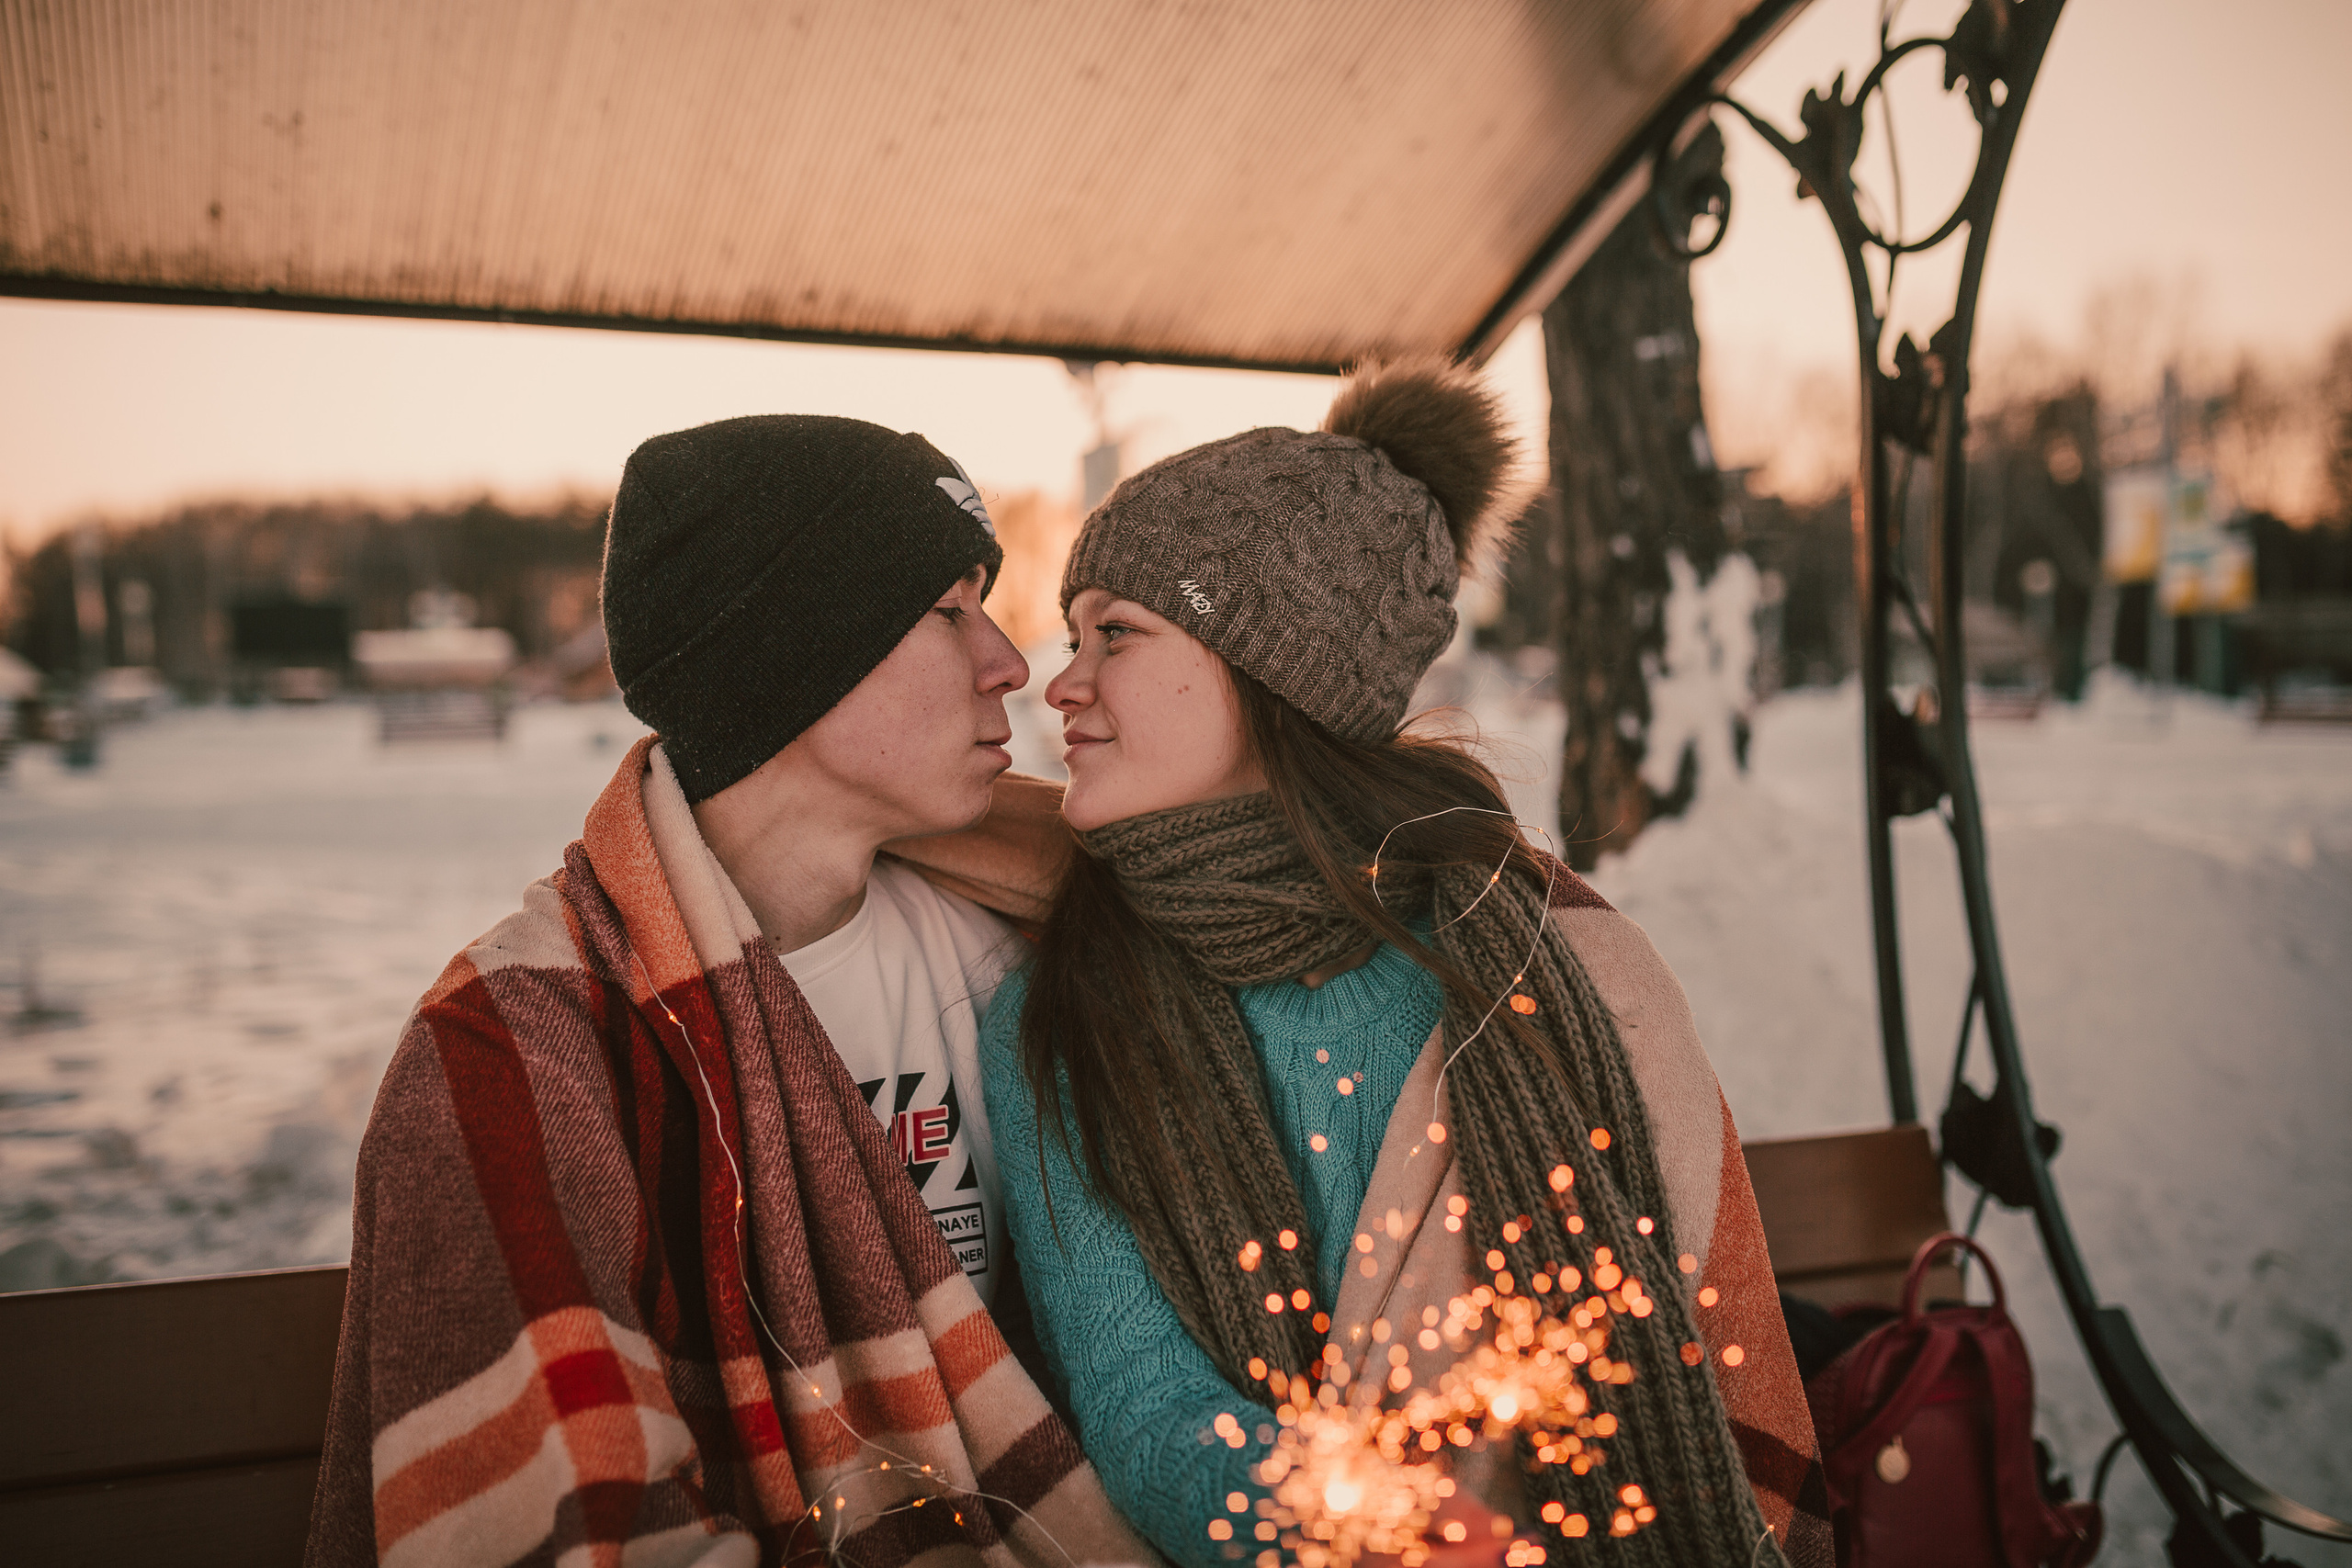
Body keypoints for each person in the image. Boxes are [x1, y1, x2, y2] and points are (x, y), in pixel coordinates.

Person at [978, 361, 1834, 1568]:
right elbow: (1142, 1404)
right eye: (1073, 636)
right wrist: (1379, 1526)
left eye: (1115, 632)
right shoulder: (1059, 1010)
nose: (1061, 681)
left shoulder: (1533, 967)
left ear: (1280, 667)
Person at [308, 416, 1148, 1568]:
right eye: (948, 611)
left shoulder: (1040, 946)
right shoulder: (515, 1052)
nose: (1009, 663)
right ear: (793, 656)